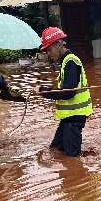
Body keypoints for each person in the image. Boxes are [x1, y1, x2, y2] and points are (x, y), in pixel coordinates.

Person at [33, 27, 92, 157]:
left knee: (72, 158)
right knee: (55, 149)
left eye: (50, 49)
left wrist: (43, 91)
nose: (48, 53)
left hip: (74, 117)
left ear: (59, 45)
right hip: (68, 117)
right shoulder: (66, 62)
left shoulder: (70, 62)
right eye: (46, 50)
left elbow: (67, 92)